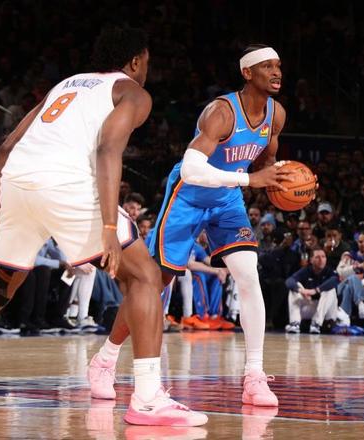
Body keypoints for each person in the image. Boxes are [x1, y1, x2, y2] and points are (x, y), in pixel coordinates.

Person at [0, 27, 206, 427]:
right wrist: (108, 226)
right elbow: (107, 149)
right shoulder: (132, 92)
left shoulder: (65, 85)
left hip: (18, 183)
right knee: (145, 277)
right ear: (136, 61)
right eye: (147, 62)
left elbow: (6, 147)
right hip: (66, 184)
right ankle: (149, 399)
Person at [91, 44, 291, 408]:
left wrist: (287, 180)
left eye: (278, 65)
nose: (277, 72)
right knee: (155, 283)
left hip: (227, 200)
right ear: (247, 73)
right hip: (188, 196)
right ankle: (105, 359)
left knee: (248, 275)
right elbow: (191, 168)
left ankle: (254, 376)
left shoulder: (276, 115)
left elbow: (267, 161)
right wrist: (249, 180)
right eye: (267, 66)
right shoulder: (221, 112)